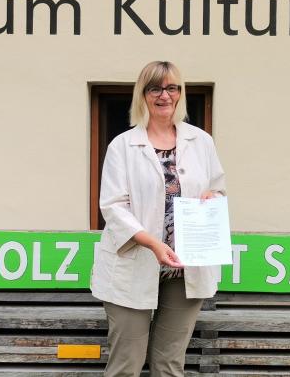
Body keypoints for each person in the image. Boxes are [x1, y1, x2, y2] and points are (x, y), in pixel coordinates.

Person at [90, 61, 226, 376]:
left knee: (169, 365)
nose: (164, 95)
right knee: (127, 364)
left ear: (180, 94)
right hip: (133, 264)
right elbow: (112, 206)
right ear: (143, 94)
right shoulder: (123, 146)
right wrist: (152, 243)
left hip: (186, 267)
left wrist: (211, 198)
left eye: (171, 88)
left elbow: (217, 189)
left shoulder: (201, 141)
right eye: (155, 88)